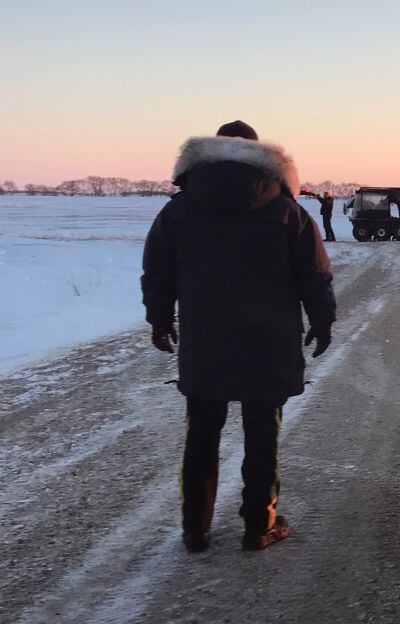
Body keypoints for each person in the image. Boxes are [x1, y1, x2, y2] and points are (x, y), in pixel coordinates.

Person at [141, 120, 337, 552]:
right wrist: (322, 321)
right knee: (262, 432)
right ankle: (258, 524)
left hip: (205, 341)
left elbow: (157, 271)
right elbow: (314, 275)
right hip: (268, 342)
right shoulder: (288, 212)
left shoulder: (178, 210)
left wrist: (160, 318)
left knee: (202, 432)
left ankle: (195, 527)